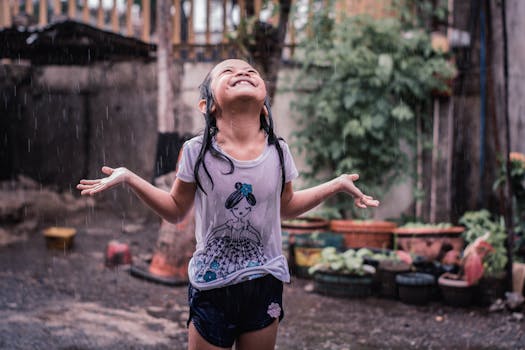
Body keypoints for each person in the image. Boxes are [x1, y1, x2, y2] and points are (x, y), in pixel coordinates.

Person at [77, 58, 380, 350]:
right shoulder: (197, 152)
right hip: (211, 284)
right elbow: (175, 210)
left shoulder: (278, 152)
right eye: (228, 72)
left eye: (250, 71)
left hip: (264, 280)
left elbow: (285, 207)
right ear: (208, 105)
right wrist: (130, 178)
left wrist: (337, 184)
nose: (243, 73)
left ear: (264, 105)